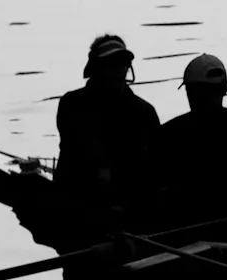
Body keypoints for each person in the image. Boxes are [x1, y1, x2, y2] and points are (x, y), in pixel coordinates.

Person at [153, 53, 227, 237]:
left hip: (189, 235)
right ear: (225, 88)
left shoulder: (167, 134)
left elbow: (157, 189)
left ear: (189, 91)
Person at [54, 33, 160, 227]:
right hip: (81, 202)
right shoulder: (72, 105)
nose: (119, 70)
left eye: (123, 63)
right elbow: (86, 154)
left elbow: (154, 165)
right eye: (112, 63)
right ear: (95, 68)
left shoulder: (144, 112)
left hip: (130, 206)